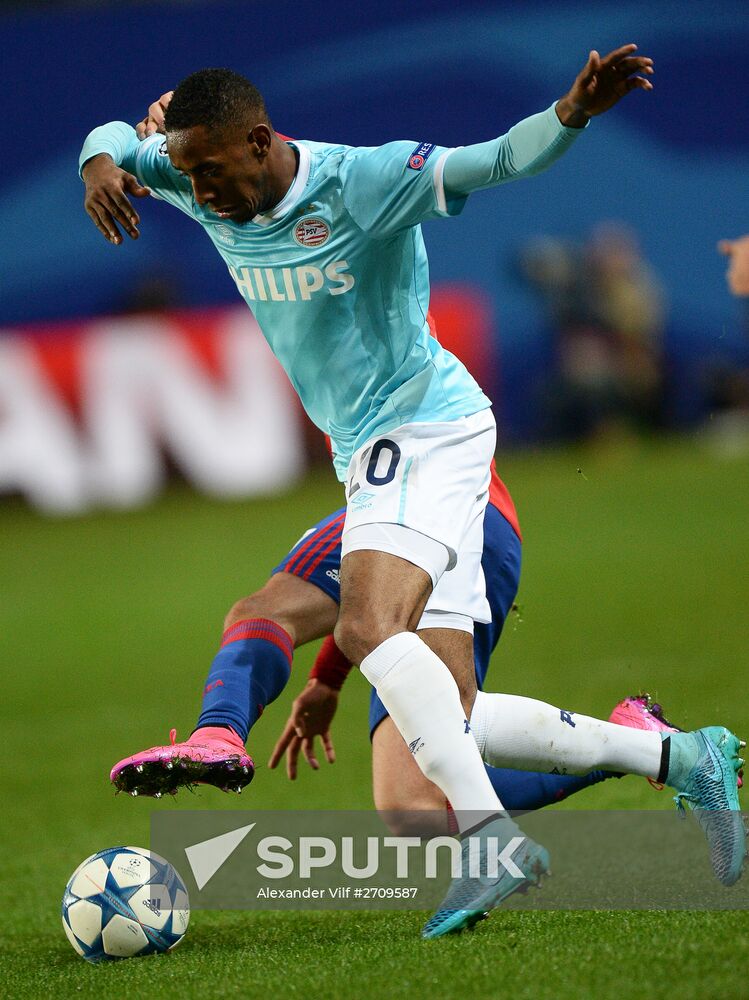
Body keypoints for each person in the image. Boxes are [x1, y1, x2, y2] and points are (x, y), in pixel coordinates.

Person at [79, 49, 744, 937]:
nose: (197, 192)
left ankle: (490, 843)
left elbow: (498, 157)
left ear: (259, 140)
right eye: (185, 173)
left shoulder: (363, 180)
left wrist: (573, 109)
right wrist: (103, 164)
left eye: (211, 172)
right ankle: (675, 754)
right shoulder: (192, 168)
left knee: (364, 629)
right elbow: (121, 138)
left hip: (426, 428)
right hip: (369, 452)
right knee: (448, 708)